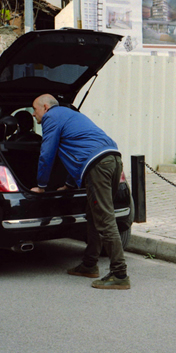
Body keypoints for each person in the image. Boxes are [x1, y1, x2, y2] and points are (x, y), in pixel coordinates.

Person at [30, 94, 130, 290]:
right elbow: (73, 153)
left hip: (98, 165)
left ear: (45, 107)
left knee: (105, 219)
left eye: (34, 109)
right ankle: (89, 264)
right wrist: (69, 184)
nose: (33, 114)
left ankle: (120, 274)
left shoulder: (51, 117)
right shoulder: (69, 115)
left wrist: (41, 185)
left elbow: (47, 152)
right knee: (93, 215)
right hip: (112, 158)